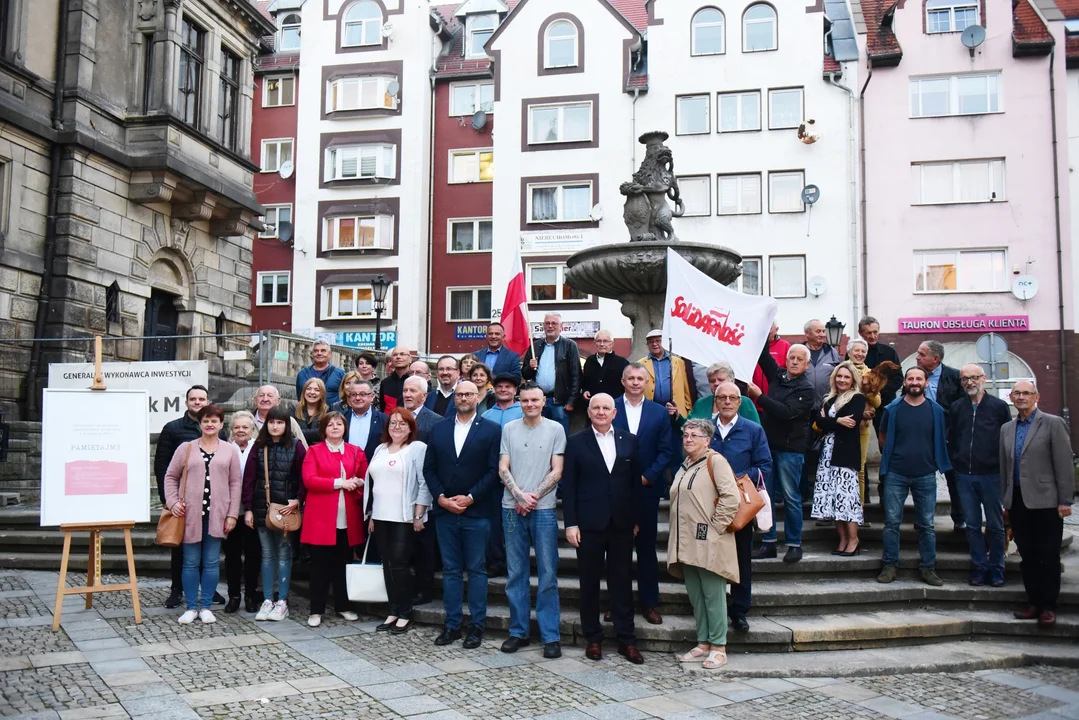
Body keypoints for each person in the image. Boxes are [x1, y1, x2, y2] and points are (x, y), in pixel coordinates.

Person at [562, 393, 644, 664]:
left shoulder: (629, 440)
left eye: (606, 408)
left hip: (621, 524)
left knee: (621, 582)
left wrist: (635, 520)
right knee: (589, 584)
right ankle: (593, 638)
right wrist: (571, 523)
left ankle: (626, 640)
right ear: (588, 411)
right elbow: (569, 487)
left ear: (614, 412)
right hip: (588, 524)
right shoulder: (575, 442)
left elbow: (634, 486)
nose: (600, 412)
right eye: (595, 407)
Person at [423, 381, 502, 649]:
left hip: (477, 511)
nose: (464, 398)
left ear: (478, 397)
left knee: (477, 570)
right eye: (459, 394)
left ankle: (476, 626)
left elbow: (494, 471)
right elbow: (429, 469)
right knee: (451, 570)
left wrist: (470, 497)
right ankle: (452, 625)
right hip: (445, 512)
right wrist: (441, 498)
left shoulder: (491, 430)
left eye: (469, 394)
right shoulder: (439, 428)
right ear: (454, 398)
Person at [497, 384, 566, 658]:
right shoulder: (510, 429)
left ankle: (551, 636)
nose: (530, 404)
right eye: (525, 400)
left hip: (544, 509)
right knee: (516, 573)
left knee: (548, 572)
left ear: (543, 400)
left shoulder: (555, 429)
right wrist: (518, 495)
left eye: (535, 399)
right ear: (519, 401)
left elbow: (557, 470)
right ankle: (518, 631)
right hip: (511, 508)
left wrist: (532, 497)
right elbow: (503, 466)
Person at [1000, 381, 1074, 628]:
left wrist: (1065, 499)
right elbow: (1005, 468)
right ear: (1010, 397)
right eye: (1017, 393)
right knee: (1028, 556)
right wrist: (1006, 499)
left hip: (1046, 501)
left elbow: (1063, 463)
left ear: (1036, 397)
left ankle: (1049, 607)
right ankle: (1033, 602)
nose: (1021, 397)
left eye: (1026, 393)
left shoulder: (1052, 423)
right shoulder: (1007, 429)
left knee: (1048, 555)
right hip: (1018, 502)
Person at [670, 418, 740, 670]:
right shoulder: (685, 465)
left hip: (708, 540)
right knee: (697, 596)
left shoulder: (715, 461)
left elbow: (731, 497)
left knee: (713, 595)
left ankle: (719, 646)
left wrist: (715, 528)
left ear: (707, 440)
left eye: (694, 436)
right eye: (686, 435)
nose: (688, 439)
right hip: (686, 541)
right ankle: (703, 643)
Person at [163, 405, 241, 624]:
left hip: (217, 514)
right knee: (189, 562)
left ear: (221, 424)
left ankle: (205, 605)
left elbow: (235, 483)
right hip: (189, 515)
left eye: (214, 421)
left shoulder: (229, 450)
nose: (210, 424)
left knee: (211, 562)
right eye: (206, 420)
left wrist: (232, 514)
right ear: (200, 424)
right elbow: (170, 476)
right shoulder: (186, 448)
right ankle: (190, 606)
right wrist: (173, 502)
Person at [155, 385, 229, 609]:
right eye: (193, 399)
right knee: (181, 550)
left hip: (211, 506)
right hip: (182, 504)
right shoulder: (173, 428)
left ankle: (207, 590)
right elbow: (163, 468)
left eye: (202, 399)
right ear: (186, 402)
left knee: (208, 555)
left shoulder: (218, 431)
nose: (197, 402)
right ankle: (177, 589)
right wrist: (170, 501)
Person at [877, 366, 951, 586]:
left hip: (926, 474)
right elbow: (882, 436)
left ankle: (928, 567)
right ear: (905, 382)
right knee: (891, 523)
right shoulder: (892, 409)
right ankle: (890, 565)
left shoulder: (936, 410)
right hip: (896, 473)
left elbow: (939, 436)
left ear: (926, 383)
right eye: (911, 378)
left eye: (919, 378)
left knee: (927, 524)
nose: (915, 382)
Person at [614, 363, 674, 626]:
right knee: (618, 551)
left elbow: (666, 451)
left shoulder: (659, 413)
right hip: (614, 490)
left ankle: (650, 603)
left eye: (640, 378)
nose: (636, 382)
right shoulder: (610, 408)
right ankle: (619, 604)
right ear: (623, 381)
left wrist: (647, 476)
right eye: (631, 378)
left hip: (647, 489)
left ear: (647, 382)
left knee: (646, 550)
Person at [708, 381, 770, 633]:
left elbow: (765, 466)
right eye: (722, 397)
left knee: (741, 558)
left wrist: (736, 478)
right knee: (709, 558)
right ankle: (712, 609)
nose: (727, 402)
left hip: (740, 506)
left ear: (740, 402)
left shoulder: (753, 430)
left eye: (732, 398)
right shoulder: (704, 429)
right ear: (715, 400)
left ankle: (739, 610)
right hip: (708, 504)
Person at [364, 408, 431, 635]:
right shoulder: (380, 449)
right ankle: (392, 610)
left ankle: (405, 612)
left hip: (404, 517)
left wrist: (419, 514)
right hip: (381, 516)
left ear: (411, 427)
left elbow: (424, 483)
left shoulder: (417, 448)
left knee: (400, 565)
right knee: (387, 564)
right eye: (393, 423)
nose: (397, 427)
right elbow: (375, 485)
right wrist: (371, 514)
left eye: (403, 423)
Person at [746, 344, 815, 563]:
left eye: (799, 359)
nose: (794, 361)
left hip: (790, 450)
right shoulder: (778, 375)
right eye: (791, 357)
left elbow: (786, 413)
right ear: (785, 360)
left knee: (790, 497)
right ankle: (769, 542)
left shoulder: (806, 389)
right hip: (768, 446)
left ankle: (794, 544)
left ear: (807, 364)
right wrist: (765, 325)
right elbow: (762, 353)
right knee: (765, 497)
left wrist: (759, 396)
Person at [301, 411, 367, 627]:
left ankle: (344, 605)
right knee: (319, 566)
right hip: (321, 519)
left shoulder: (355, 452)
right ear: (324, 429)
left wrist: (357, 482)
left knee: (343, 564)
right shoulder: (314, 451)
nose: (335, 428)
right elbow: (310, 480)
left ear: (345, 428)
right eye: (331, 425)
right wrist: (340, 483)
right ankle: (316, 610)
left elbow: (365, 478)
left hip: (347, 519)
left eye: (339, 424)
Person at [948, 364, 1012, 587]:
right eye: (965, 379)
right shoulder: (957, 407)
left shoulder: (999, 407)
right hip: (964, 474)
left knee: (995, 525)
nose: (969, 382)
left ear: (983, 378)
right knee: (973, 525)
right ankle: (978, 567)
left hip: (991, 475)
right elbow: (953, 437)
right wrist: (956, 462)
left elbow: (1007, 441)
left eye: (974, 378)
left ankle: (996, 568)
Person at [241, 405, 306, 622]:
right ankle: (268, 599)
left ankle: (282, 601)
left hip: (287, 511)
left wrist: (298, 499)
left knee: (284, 556)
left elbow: (303, 477)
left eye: (279, 422)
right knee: (267, 556)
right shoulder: (258, 447)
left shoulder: (296, 447)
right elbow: (249, 480)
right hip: (262, 509)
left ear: (287, 425)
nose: (275, 426)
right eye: (271, 422)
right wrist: (248, 508)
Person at [810, 363, 867, 555]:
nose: (842, 380)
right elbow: (819, 422)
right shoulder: (830, 399)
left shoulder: (857, 398)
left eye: (846, 377)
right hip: (827, 456)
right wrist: (836, 421)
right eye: (839, 376)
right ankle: (842, 539)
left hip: (845, 456)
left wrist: (831, 421)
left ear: (852, 380)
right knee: (833, 499)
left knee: (847, 499)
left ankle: (853, 540)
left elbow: (852, 422)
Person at [916, 341, 965, 532]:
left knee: (954, 478)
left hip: (948, 436)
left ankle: (960, 519)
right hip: (921, 436)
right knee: (921, 480)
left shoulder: (954, 376)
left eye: (922, 354)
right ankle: (922, 519)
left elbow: (961, 409)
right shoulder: (915, 375)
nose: (917, 357)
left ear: (935, 359)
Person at [223, 412, 262, 615]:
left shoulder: (259, 449)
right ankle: (234, 596)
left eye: (245, 427)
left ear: (252, 429)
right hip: (230, 511)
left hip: (253, 511)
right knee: (232, 556)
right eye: (237, 427)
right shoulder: (225, 449)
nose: (240, 431)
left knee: (253, 554)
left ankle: (250, 595)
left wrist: (251, 509)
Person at [522, 312, 581, 434]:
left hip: (559, 401)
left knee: (559, 436)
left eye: (554, 323)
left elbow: (576, 375)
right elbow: (525, 374)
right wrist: (530, 367)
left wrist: (571, 401)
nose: (550, 326)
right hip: (537, 400)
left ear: (561, 326)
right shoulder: (536, 346)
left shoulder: (569, 346)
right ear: (543, 326)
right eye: (547, 323)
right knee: (538, 434)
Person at [846, 339, 882, 506]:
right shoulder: (842, 371)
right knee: (842, 468)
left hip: (862, 426)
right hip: (842, 425)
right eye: (856, 351)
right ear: (849, 352)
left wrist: (869, 390)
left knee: (859, 468)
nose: (860, 354)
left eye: (863, 351)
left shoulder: (871, 373)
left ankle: (858, 508)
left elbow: (877, 403)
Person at [638, 329, 697, 419]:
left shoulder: (678, 362)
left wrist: (688, 409)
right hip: (651, 411)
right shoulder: (640, 364)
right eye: (651, 342)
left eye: (658, 341)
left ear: (664, 342)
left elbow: (685, 388)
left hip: (675, 410)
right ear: (647, 345)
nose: (654, 344)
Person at [859, 316, 901, 436]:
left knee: (887, 439)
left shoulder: (889, 352)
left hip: (886, 403)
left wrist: (877, 394)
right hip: (861, 404)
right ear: (861, 333)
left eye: (875, 332)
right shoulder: (855, 352)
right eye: (868, 333)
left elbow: (898, 379)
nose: (872, 336)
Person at [683, 362, 761, 427]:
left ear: (732, 381)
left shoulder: (745, 402)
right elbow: (689, 427)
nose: (716, 383)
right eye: (712, 381)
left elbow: (757, 433)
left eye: (721, 380)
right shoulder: (701, 403)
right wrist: (676, 416)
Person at [253, 385, 309, 450]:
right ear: (255, 400)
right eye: (261, 395)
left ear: (278, 401)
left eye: (270, 396)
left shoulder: (290, 421)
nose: (265, 399)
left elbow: (304, 449)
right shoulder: (247, 420)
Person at [342, 382, 387, 463]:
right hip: (346, 469)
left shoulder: (384, 420)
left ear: (372, 396)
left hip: (374, 468)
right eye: (353, 394)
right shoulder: (342, 419)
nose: (358, 398)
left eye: (362, 394)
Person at [581, 329, 629, 404]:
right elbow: (585, 381)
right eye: (599, 341)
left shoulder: (622, 363)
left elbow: (627, 385)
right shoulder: (590, 361)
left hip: (615, 405)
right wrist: (585, 391)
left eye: (605, 341)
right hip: (594, 405)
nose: (602, 344)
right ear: (595, 343)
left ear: (612, 344)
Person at [801, 320, 842, 404]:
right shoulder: (799, 351)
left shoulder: (832, 352)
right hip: (803, 405)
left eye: (823, 331)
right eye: (818, 331)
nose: (822, 335)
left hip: (827, 404)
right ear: (807, 333)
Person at [296, 341, 346, 408]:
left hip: (332, 415)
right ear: (312, 353)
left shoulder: (339, 373)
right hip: (308, 415)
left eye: (323, 351)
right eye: (316, 351)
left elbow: (346, 396)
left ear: (329, 354)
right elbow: (300, 397)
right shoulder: (302, 374)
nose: (319, 353)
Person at [402, 376, 444, 443]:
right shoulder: (394, 416)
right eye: (405, 390)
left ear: (424, 396)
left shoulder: (436, 421)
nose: (407, 395)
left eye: (412, 391)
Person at [296, 378, 330, 447]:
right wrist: (315, 433)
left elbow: (323, 432)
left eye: (317, 390)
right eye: (308, 389)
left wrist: (299, 433)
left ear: (322, 393)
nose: (312, 392)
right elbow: (290, 431)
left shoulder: (328, 411)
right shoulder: (294, 408)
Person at [379, 346, 412, 413]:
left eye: (402, 354)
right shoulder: (385, 383)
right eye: (395, 355)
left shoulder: (416, 381)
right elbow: (383, 407)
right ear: (391, 359)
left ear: (410, 359)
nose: (398, 357)